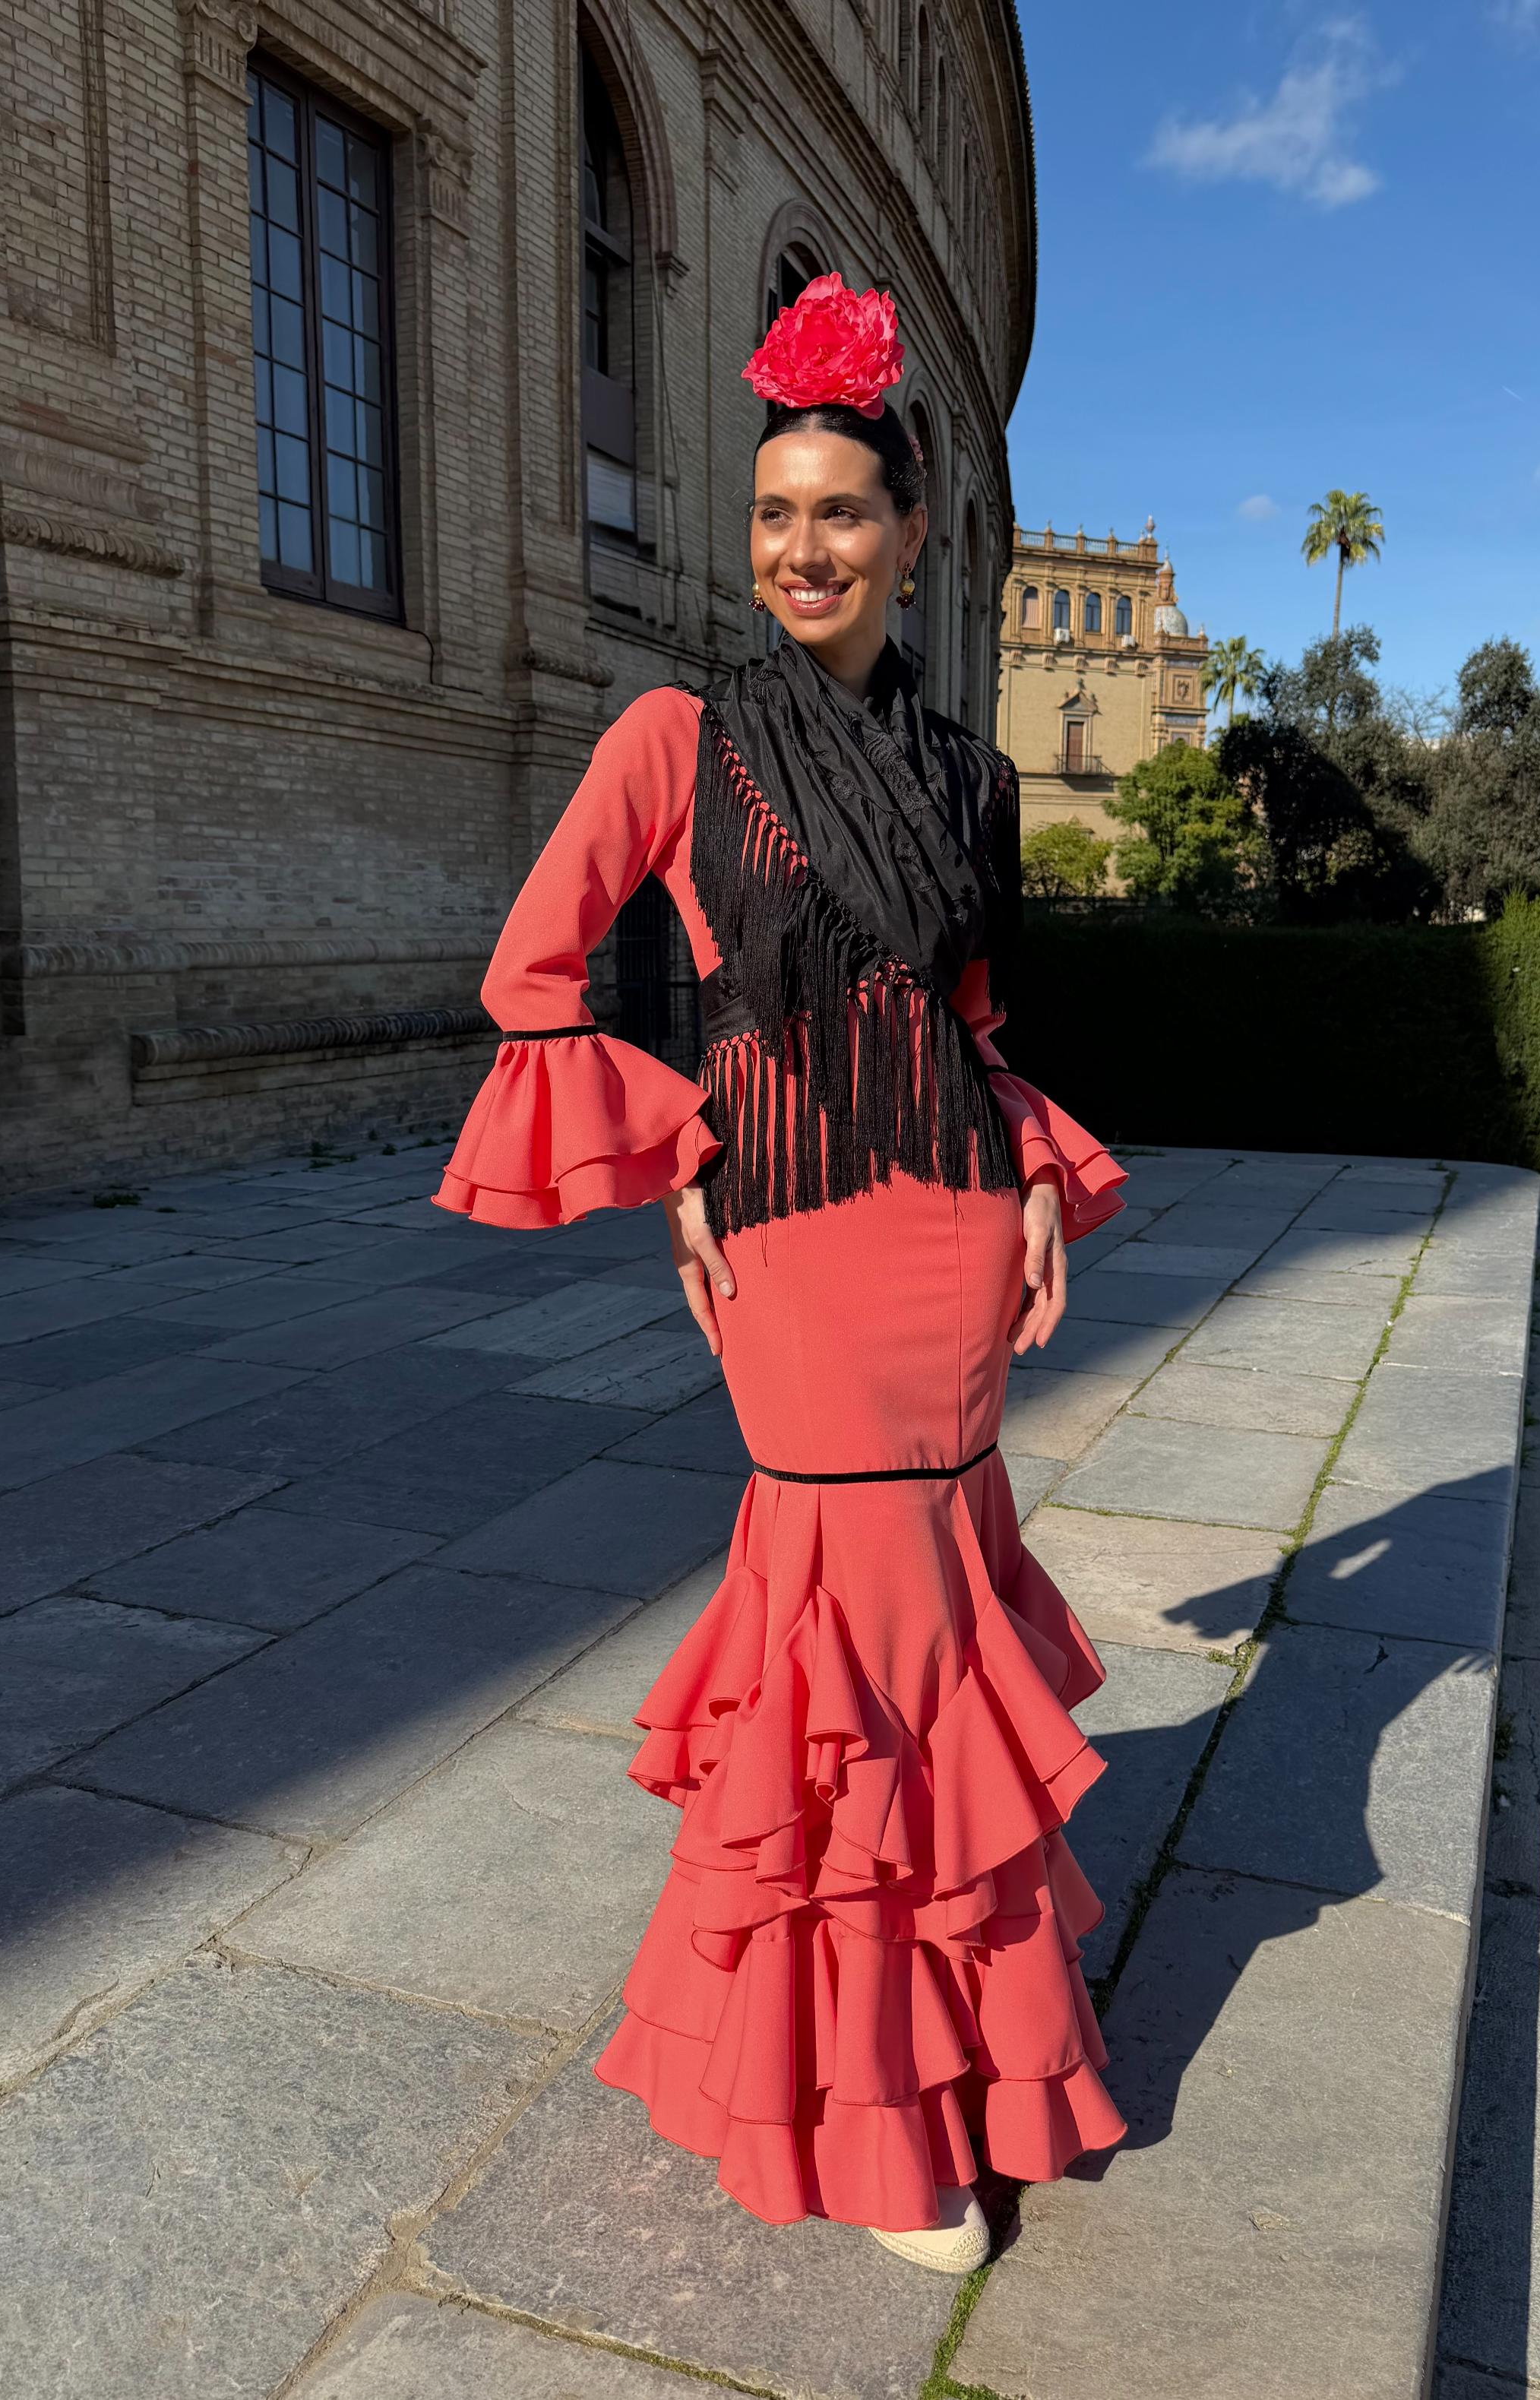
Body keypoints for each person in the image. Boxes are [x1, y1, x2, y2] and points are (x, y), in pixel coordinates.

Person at [436, 274, 1129, 2273]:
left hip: (945, 1243)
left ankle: (948, 2072)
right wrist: (667, 1150)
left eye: (841, 512)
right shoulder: (679, 735)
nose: (802, 549)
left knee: (932, 1647)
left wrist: (1018, 1191)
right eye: (773, 517)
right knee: (859, 1645)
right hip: (802, 1252)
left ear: (915, 531)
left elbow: (972, 1018)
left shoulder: (976, 780)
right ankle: (871, 2115)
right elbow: (533, 975)